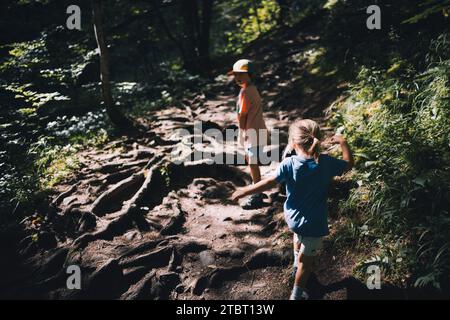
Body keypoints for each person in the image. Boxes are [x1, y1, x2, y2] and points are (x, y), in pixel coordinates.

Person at [231, 119, 354, 300]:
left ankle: (296, 262)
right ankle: (296, 295)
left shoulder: (289, 164)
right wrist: (343, 142)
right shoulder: (326, 163)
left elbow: (269, 182)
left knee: (298, 238)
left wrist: (244, 191)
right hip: (314, 224)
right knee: (306, 264)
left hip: (293, 219)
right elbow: (348, 164)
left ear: (294, 143)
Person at [228, 59, 268, 210]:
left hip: (251, 131)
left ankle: (256, 194)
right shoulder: (252, 89)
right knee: (253, 162)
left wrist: (243, 132)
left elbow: (242, 114)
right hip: (258, 129)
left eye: (242, 74)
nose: (238, 77)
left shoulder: (245, 91)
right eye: (236, 75)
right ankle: (258, 188)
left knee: (252, 163)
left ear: (250, 75)